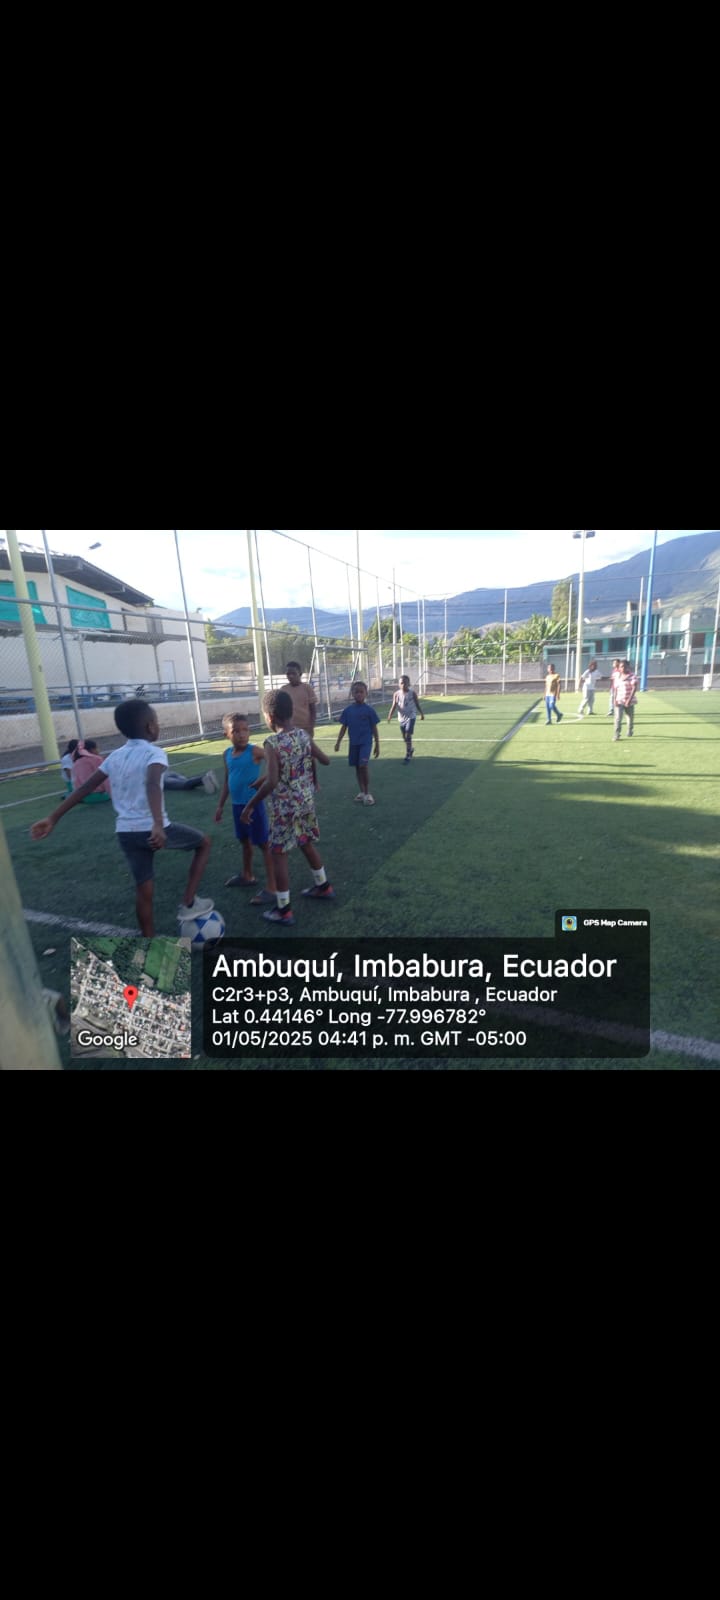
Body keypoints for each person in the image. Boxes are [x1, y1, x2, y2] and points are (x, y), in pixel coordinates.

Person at [31, 699, 213, 938]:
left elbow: (84, 788)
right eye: (157, 722)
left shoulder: (114, 756)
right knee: (204, 843)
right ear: (150, 727)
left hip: (126, 833)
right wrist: (158, 824)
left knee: (144, 890)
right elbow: (152, 784)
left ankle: (148, 940)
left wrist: (53, 817)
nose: (158, 725)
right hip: (153, 829)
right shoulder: (154, 753)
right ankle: (189, 902)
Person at [240, 689, 334, 927]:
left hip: (285, 807)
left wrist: (250, 805)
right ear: (290, 712)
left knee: (278, 853)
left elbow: (273, 780)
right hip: (305, 801)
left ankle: (284, 910)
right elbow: (325, 760)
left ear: (270, 716)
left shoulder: (272, 742)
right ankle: (323, 886)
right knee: (305, 842)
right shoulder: (302, 735)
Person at [215, 713, 276, 904]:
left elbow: (275, 762)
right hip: (237, 806)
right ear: (226, 734)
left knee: (264, 844)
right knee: (244, 842)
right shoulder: (226, 754)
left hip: (254, 806)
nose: (242, 734)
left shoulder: (254, 751)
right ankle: (247, 875)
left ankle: (273, 887)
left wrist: (263, 779)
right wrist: (220, 805)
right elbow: (227, 781)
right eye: (236, 731)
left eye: (245, 730)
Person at [335, 682, 381, 804]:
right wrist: (338, 742)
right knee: (357, 767)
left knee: (363, 766)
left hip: (365, 743)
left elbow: (374, 728)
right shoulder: (348, 711)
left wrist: (377, 744)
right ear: (352, 693)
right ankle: (361, 792)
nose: (359, 694)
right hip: (353, 744)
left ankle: (367, 793)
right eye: (356, 692)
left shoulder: (369, 710)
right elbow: (343, 727)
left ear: (366, 693)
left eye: (361, 692)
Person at [286, 662, 319, 788]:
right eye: (288, 673)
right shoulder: (284, 690)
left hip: (305, 728)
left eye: (293, 673)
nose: (290, 676)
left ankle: (315, 781)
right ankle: (294, 781)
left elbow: (313, 710)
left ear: (300, 674)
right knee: (291, 756)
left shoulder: (307, 688)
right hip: (289, 729)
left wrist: (311, 727)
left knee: (309, 755)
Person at [388, 676, 425, 762]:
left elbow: (417, 704)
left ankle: (408, 754)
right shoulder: (396, 694)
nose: (403, 684)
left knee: (408, 734)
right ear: (399, 684)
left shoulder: (412, 693)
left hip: (411, 717)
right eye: (401, 683)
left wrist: (421, 714)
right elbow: (394, 705)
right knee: (404, 737)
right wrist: (390, 715)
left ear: (409, 684)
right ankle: (410, 748)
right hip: (401, 718)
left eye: (405, 683)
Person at [613, 662, 639, 741]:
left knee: (630, 717)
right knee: (618, 718)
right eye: (621, 667)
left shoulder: (632, 676)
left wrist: (629, 700)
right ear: (619, 668)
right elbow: (616, 689)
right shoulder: (617, 676)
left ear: (628, 667)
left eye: (625, 666)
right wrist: (614, 699)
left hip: (629, 700)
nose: (623, 668)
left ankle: (630, 730)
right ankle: (617, 735)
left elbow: (634, 688)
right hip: (619, 700)